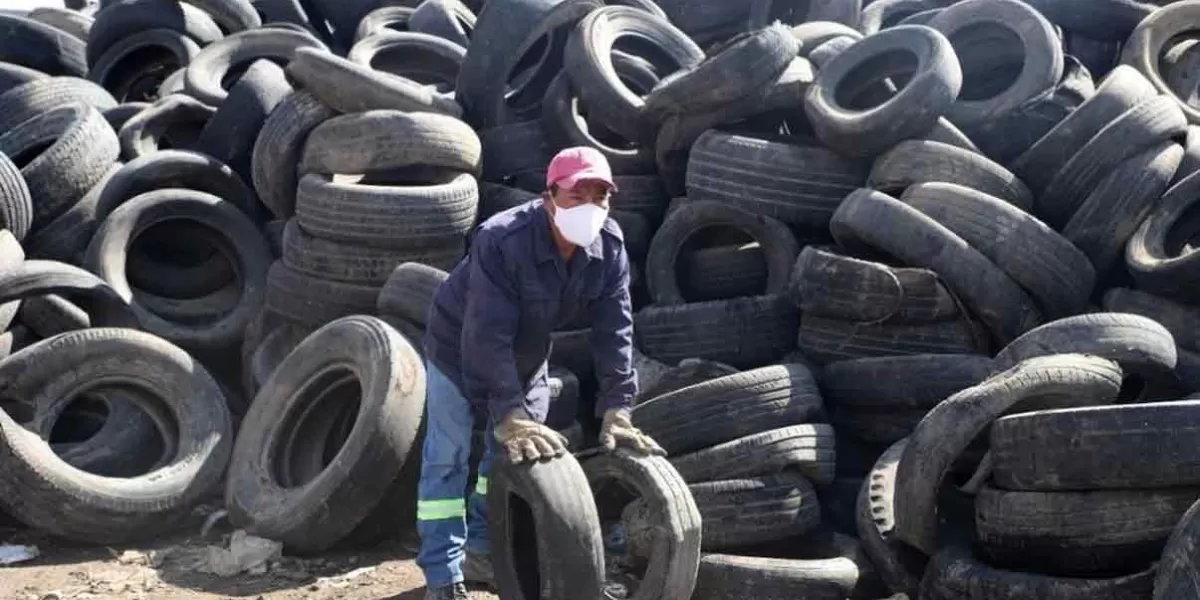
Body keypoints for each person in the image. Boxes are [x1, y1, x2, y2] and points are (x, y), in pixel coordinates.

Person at [415, 146, 666, 600]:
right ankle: (442, 575)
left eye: (600, 197)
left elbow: (616, 330)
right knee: (447, 458)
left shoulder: (609, 246)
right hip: (457, 343)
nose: (589, 208)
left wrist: (617, 407)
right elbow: (485, 336)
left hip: (528, 351)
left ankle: (482, 552)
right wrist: (507, 413)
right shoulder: (502, 240)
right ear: (549, 197)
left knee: (507, 458)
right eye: (576, 196)